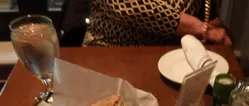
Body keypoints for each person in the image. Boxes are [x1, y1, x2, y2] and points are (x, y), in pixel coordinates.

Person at [83, 0, 231, 47]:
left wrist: (211, 23)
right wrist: (201, 28)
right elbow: (123, 6)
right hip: (111, 49)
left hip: (174, 55)